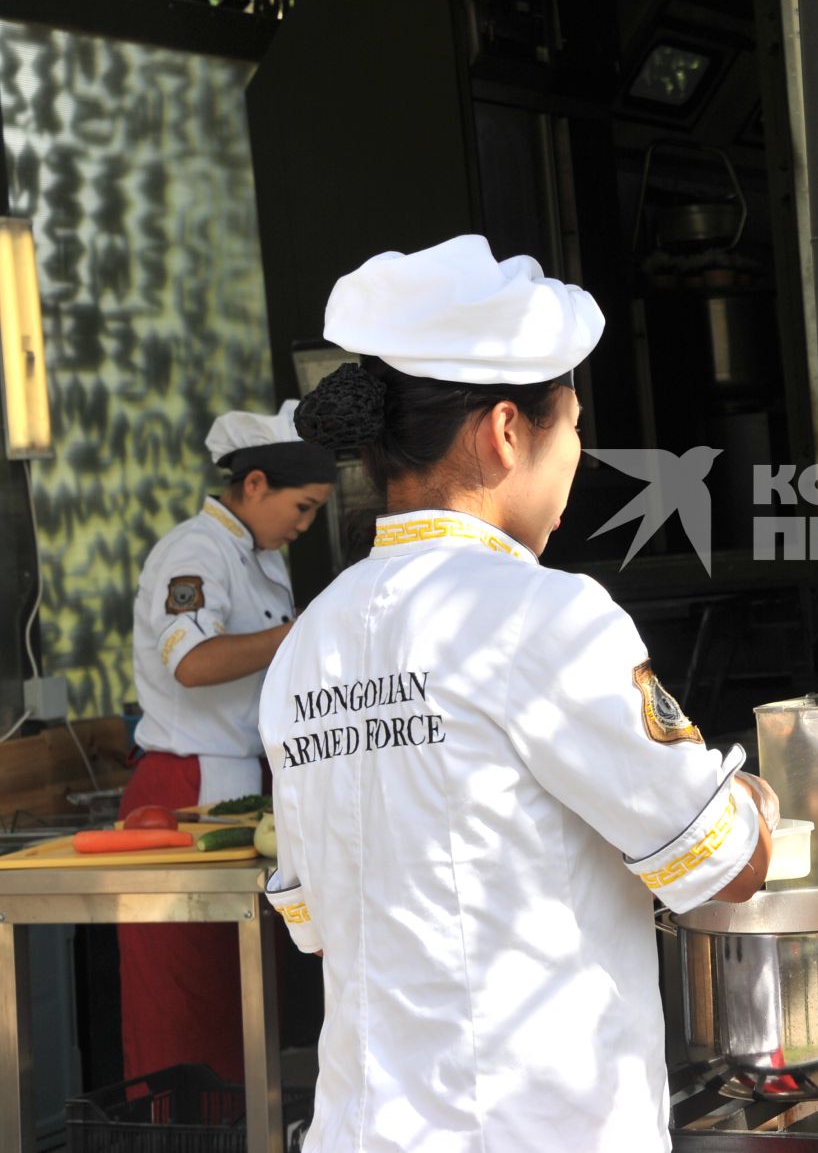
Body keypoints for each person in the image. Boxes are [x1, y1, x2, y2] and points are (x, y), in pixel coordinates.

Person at [257, 236, 776, 1152]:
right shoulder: (544, 616)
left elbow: (324, 925)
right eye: (571, 424)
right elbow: (725, 866)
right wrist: (756, 804)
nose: (578, 454)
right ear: (504, 431)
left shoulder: (306, 647)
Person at [121, 400, 334, 1081]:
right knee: (185, 999)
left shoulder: (258, 555)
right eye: (302, 507)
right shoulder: (195, 551)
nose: (304, 526)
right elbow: (192, 660)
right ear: (254, 485)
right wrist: (294, 634)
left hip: (243, 788)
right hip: (183, 790)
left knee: (238, 992)